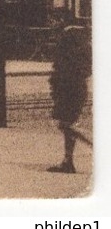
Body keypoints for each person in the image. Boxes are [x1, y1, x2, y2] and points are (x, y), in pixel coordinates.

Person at [48, 23, 91, 174]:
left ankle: (96, 145)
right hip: (78, 87)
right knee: (68, 125)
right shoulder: (85, 45)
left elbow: (59, 67)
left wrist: (56, 86)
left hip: (68, 89)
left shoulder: (67, 42)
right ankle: (68, 161)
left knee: (68, 125)